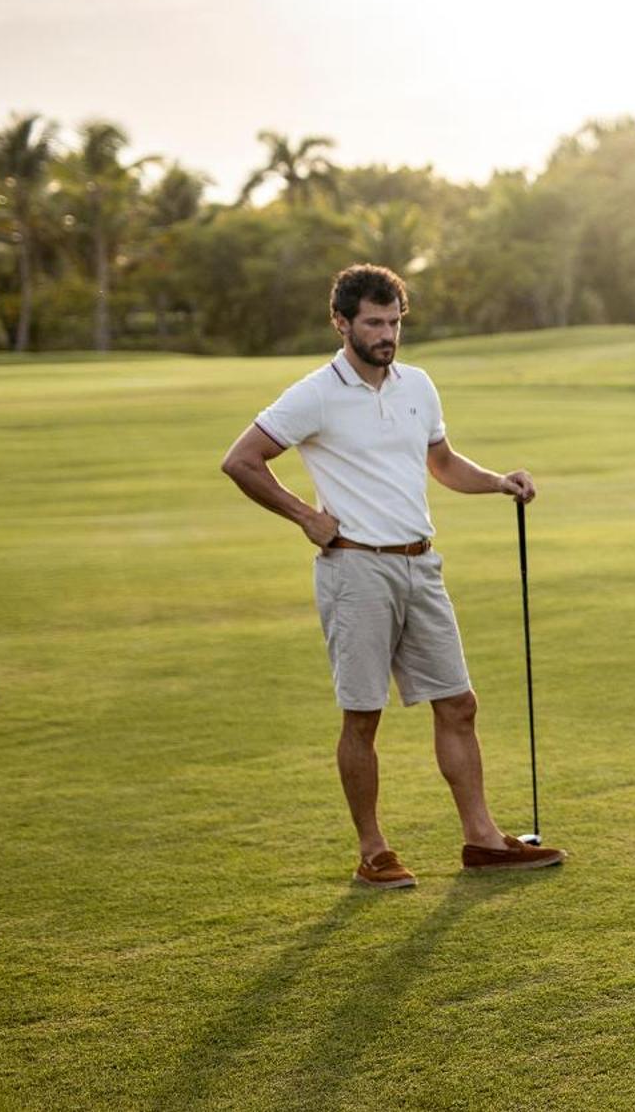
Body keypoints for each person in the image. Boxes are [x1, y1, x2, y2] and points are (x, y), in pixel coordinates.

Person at [220, 264, 566, 889]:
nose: (386, 334)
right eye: (374, 322)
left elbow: (441, 462)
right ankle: (374, 852)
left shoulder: (418, 385)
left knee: (458, 704)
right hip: (355, 569)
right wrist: (304, 515)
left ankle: (482, 840)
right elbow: (241, 461)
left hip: (420, 564)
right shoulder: (313, 394)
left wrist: (498, 482)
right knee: (363, 715)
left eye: (394, 322)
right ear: (342, 323)